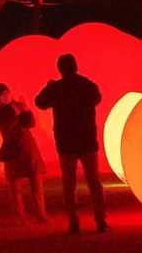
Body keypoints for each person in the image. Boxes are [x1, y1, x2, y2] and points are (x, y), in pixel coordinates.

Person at [35, 53, 108, 234]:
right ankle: (100, 221)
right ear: (76, 66)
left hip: (66, 142)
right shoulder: (87, 85)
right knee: (94, 182)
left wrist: (49, 87)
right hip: (87, 140)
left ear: (60, 69)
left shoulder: (57, 88)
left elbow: (40, 102)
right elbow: (97, 98)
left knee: (69, 184)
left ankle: (74, 223)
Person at [0, 83, 47, 223]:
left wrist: (26, 110)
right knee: (15, 186)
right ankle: (20, 216)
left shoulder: (18, 105)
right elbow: (5, 127)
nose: (6, 96)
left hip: (27, 147)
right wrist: (15, 115)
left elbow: (30, 123)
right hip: (11, 149)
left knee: (36, 182)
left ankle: (41, 214)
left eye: (7, 93)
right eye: (2, 94)